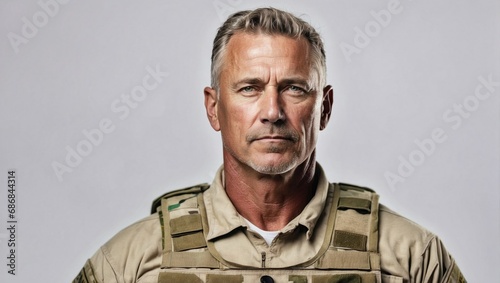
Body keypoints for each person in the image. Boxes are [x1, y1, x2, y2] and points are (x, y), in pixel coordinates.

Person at [73, 7, 466, 283]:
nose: (273, 111)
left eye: (294, 89)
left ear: (324, 108)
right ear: (214, 109)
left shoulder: (410, 256)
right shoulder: (132, 260)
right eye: (250, 89)